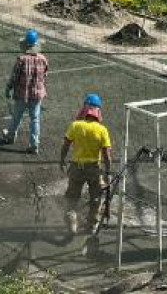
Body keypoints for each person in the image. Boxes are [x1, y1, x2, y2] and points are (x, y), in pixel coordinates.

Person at [60, 93, 112, 235]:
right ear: (98, 111)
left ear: (85, 109)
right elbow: (107, 154)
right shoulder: (102, 130)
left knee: (72, 197)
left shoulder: (75, 125)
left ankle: (71, 223)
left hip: (76, 168)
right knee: (96, 198)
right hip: (94, 169)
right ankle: (92, 225)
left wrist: (62, 160)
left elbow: (65, 145)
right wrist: (107, 172)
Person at [0, 28, 48, 154]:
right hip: (37, 94)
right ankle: (34, 144)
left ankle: (10, 136)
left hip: (22, 94)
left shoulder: (21, 59)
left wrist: (8, 88)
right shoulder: (43, 59)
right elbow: (45, 75)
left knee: (16, 116)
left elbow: (14, 77)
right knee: (35, 119)